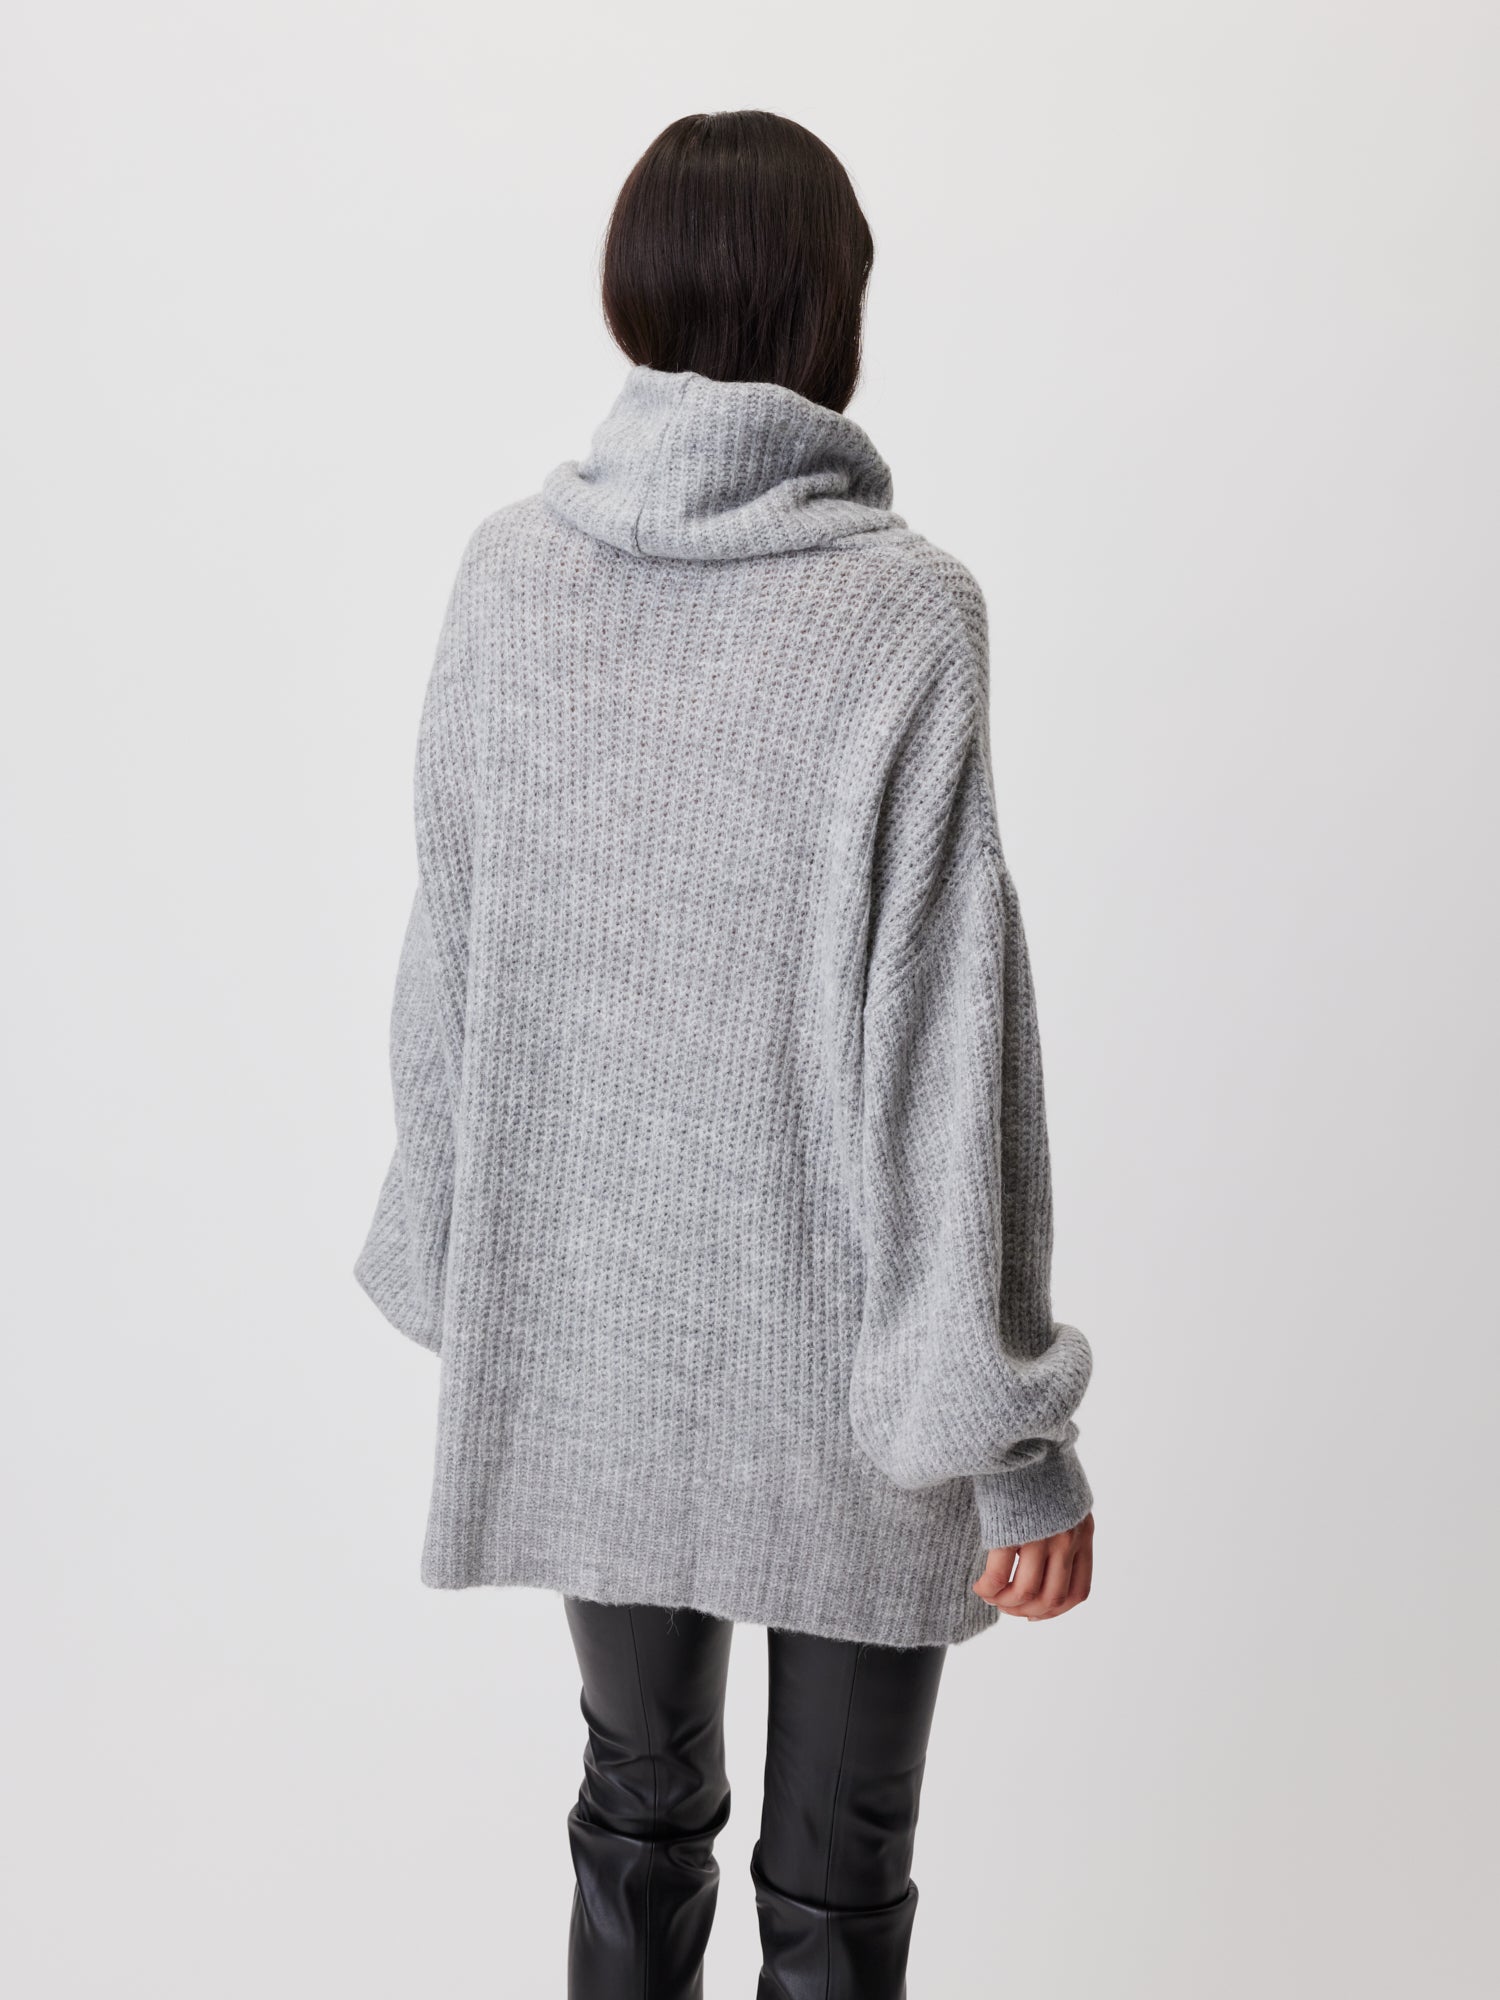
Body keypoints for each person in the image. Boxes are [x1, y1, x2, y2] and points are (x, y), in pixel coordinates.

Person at [356, 108, 1096, 2000]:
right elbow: (946, 1062)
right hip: (851, 1384)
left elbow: (451, 959)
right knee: (835, 1896)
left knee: (634, 1816)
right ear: (835, 313)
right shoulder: (905, 612)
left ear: (634, 293)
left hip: (596, 1343)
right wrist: (1011, 1451)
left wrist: (458, 1262)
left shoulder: (508, 579)